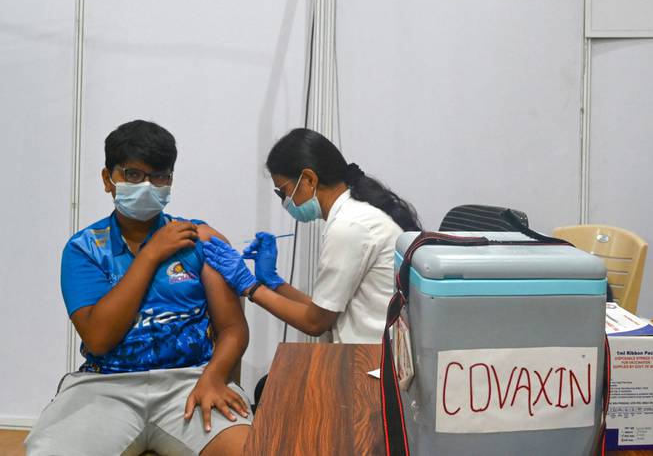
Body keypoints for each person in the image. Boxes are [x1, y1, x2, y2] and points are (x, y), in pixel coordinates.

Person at [25, 120, 252, 456]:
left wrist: (214, 377)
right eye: (133, 174)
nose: (148, 185)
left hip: (190, 381)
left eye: (160, 176)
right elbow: (99, 338)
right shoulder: (85, 248)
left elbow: (233, 329)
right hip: (104, 387)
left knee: (254, 449)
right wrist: (151, 254)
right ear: (108, 179)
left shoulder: (199, 239)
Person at [203, 128, 420, 344]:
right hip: (367, 352)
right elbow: (323, 309)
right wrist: (274, 282)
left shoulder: (349, 227)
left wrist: (250, 286)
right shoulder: (353, 216)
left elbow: (315, 323)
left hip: (372, 362)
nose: (284, 201)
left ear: (308, 179)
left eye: (282, 191)